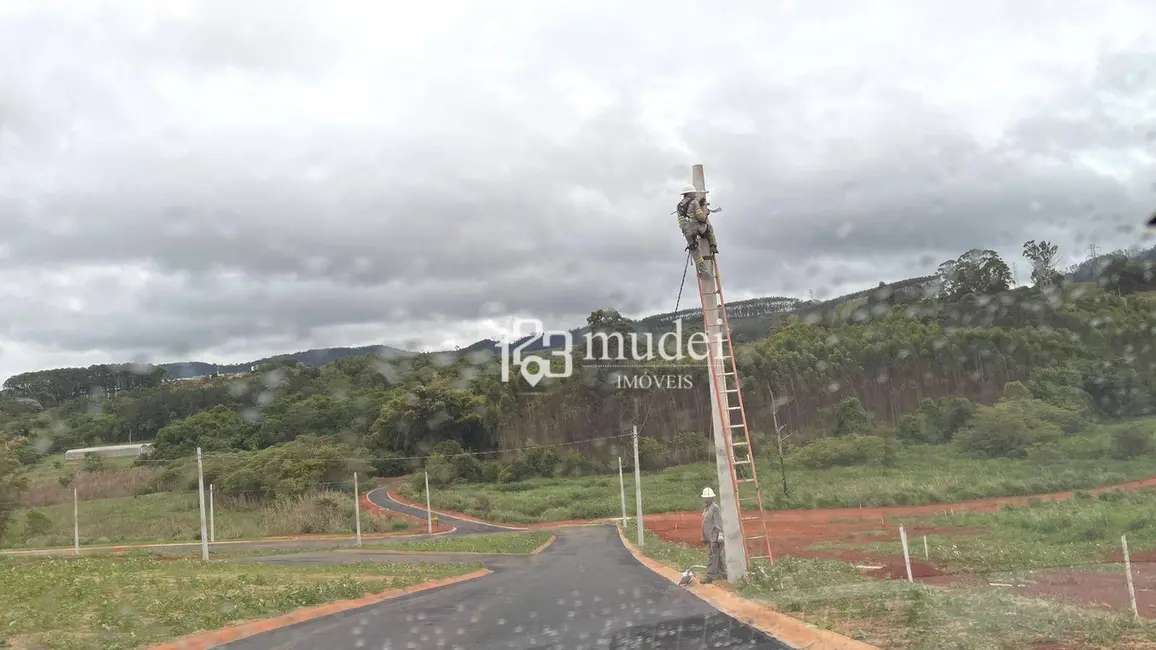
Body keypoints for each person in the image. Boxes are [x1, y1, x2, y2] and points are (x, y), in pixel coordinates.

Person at [676, 184, 718, 264]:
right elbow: (701, 218)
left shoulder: (679, 206)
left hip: (687, 233)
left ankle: (700, 267)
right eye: (694, 193)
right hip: (696, 230)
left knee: (696, 254)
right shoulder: (694, 203)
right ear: (690, 193)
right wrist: (705, 213)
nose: (695, 195)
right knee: (709, 227)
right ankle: (713, 246)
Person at [700, 486, 725, 584]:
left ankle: (710, 576)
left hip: (715, 537)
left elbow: (718, 523)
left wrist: (720, 535)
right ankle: (723, 573)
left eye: (708, 498)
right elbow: (705, 523)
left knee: (713, 556)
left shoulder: (715, 508)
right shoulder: (706, 508)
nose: (706, 499)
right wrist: (704, 537)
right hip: (709, 536)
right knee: (717, 556)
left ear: (712, 498)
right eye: (705, 498)